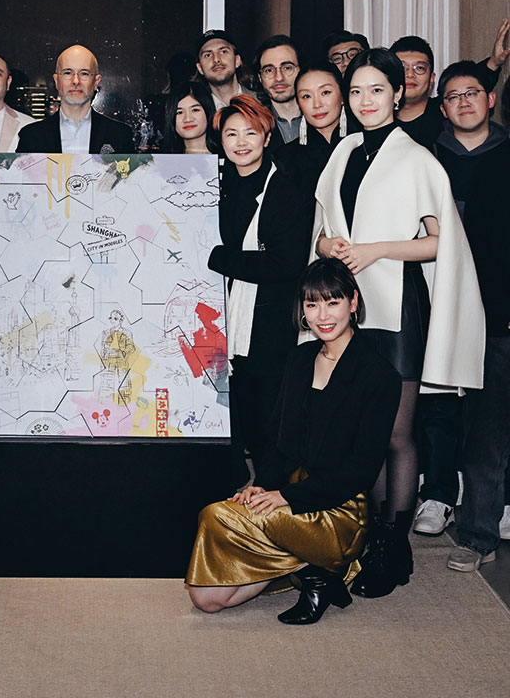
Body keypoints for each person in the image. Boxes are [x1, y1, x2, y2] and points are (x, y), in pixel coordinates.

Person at [313, 48, 485, 597]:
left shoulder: (417, 158)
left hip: (397, 309)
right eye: (356, 91)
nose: (365, 100)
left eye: (376, 90)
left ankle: (395, 545)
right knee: (363, 432)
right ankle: (371, 539)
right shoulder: (342, 152)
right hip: (348, 311)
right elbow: (321, 231)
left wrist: (378, 249)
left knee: (396, 433)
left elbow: (442, 240)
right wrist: (329, 246)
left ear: (397, 93)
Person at [186, 259, 401, 625]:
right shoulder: (299, 359)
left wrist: (286, 496)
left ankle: (325, 564)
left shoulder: (379, 375)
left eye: (332, 302)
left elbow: (361, 472)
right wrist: (263, 485)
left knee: (215, 514)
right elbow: (279, 442)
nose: (322, 315)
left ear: (353, 302)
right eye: (312, 303)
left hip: (339, 510)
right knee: (207, 599)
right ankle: (311, 569)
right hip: (290, 501)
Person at [411, 61, 510, 536]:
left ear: (490, 99)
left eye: (472, 93)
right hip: (439, 302)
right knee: (440, 404)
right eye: (453, 96)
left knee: (493, 413)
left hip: (499, 307)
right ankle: (439, 494)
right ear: (442, 108)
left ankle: (494, 506)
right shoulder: (427, 160)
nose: (464, 102)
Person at [207, 96, 312, 486]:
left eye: (250, 133)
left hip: (269, 324)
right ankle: (236, 491)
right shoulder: (216, 188)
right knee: (231, 416)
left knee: (268, 419)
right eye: (231, 134)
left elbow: (286, 264)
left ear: (267, 137)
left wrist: (221, 259)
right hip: (223, 317)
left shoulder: (284, 189)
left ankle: (269, 496)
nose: (241, 142)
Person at [449, 135, 510, 571]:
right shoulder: (495, 166)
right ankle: (477, 536)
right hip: (501, 324)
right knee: (486, 435)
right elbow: (480, 251)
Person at [390, 20, 508, 148]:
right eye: (402, 67)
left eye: (419, 68)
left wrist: (494, 62)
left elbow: (467, 83)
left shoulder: (448, 110)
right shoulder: (378, 116)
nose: (409, 74)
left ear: (432, 79)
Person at [15, 45, 135, 154]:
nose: (76, 81)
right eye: (68, 73)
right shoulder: (30, 136)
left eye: (84, 73)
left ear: (96, 82)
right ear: (56, 81)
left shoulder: (120, 135)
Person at [273, 62, 348, 195]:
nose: (317, 104)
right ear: (299, 103)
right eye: (306, 96)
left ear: (342, 96)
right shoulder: (284, 159)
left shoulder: (363, 144)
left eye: (325, 92)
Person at [253, 35, 301, 148]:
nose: (279, 78)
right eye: (269, 70)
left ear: (301, 70)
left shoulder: (322, 117)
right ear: (260, 78)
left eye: (287, 68)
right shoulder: (253, 125)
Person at [195, 31, 254, 110]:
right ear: (200, 68)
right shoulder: (198, 112)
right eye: (208, 55)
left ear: (237, 60)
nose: (216, 59)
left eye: (223, 52)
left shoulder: (262, 102)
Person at [160, 80, 218, 155]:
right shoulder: (162, 159)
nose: (187, 119)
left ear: (208, 111)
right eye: (180, 112)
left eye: (195, 110)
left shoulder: (227, 157)